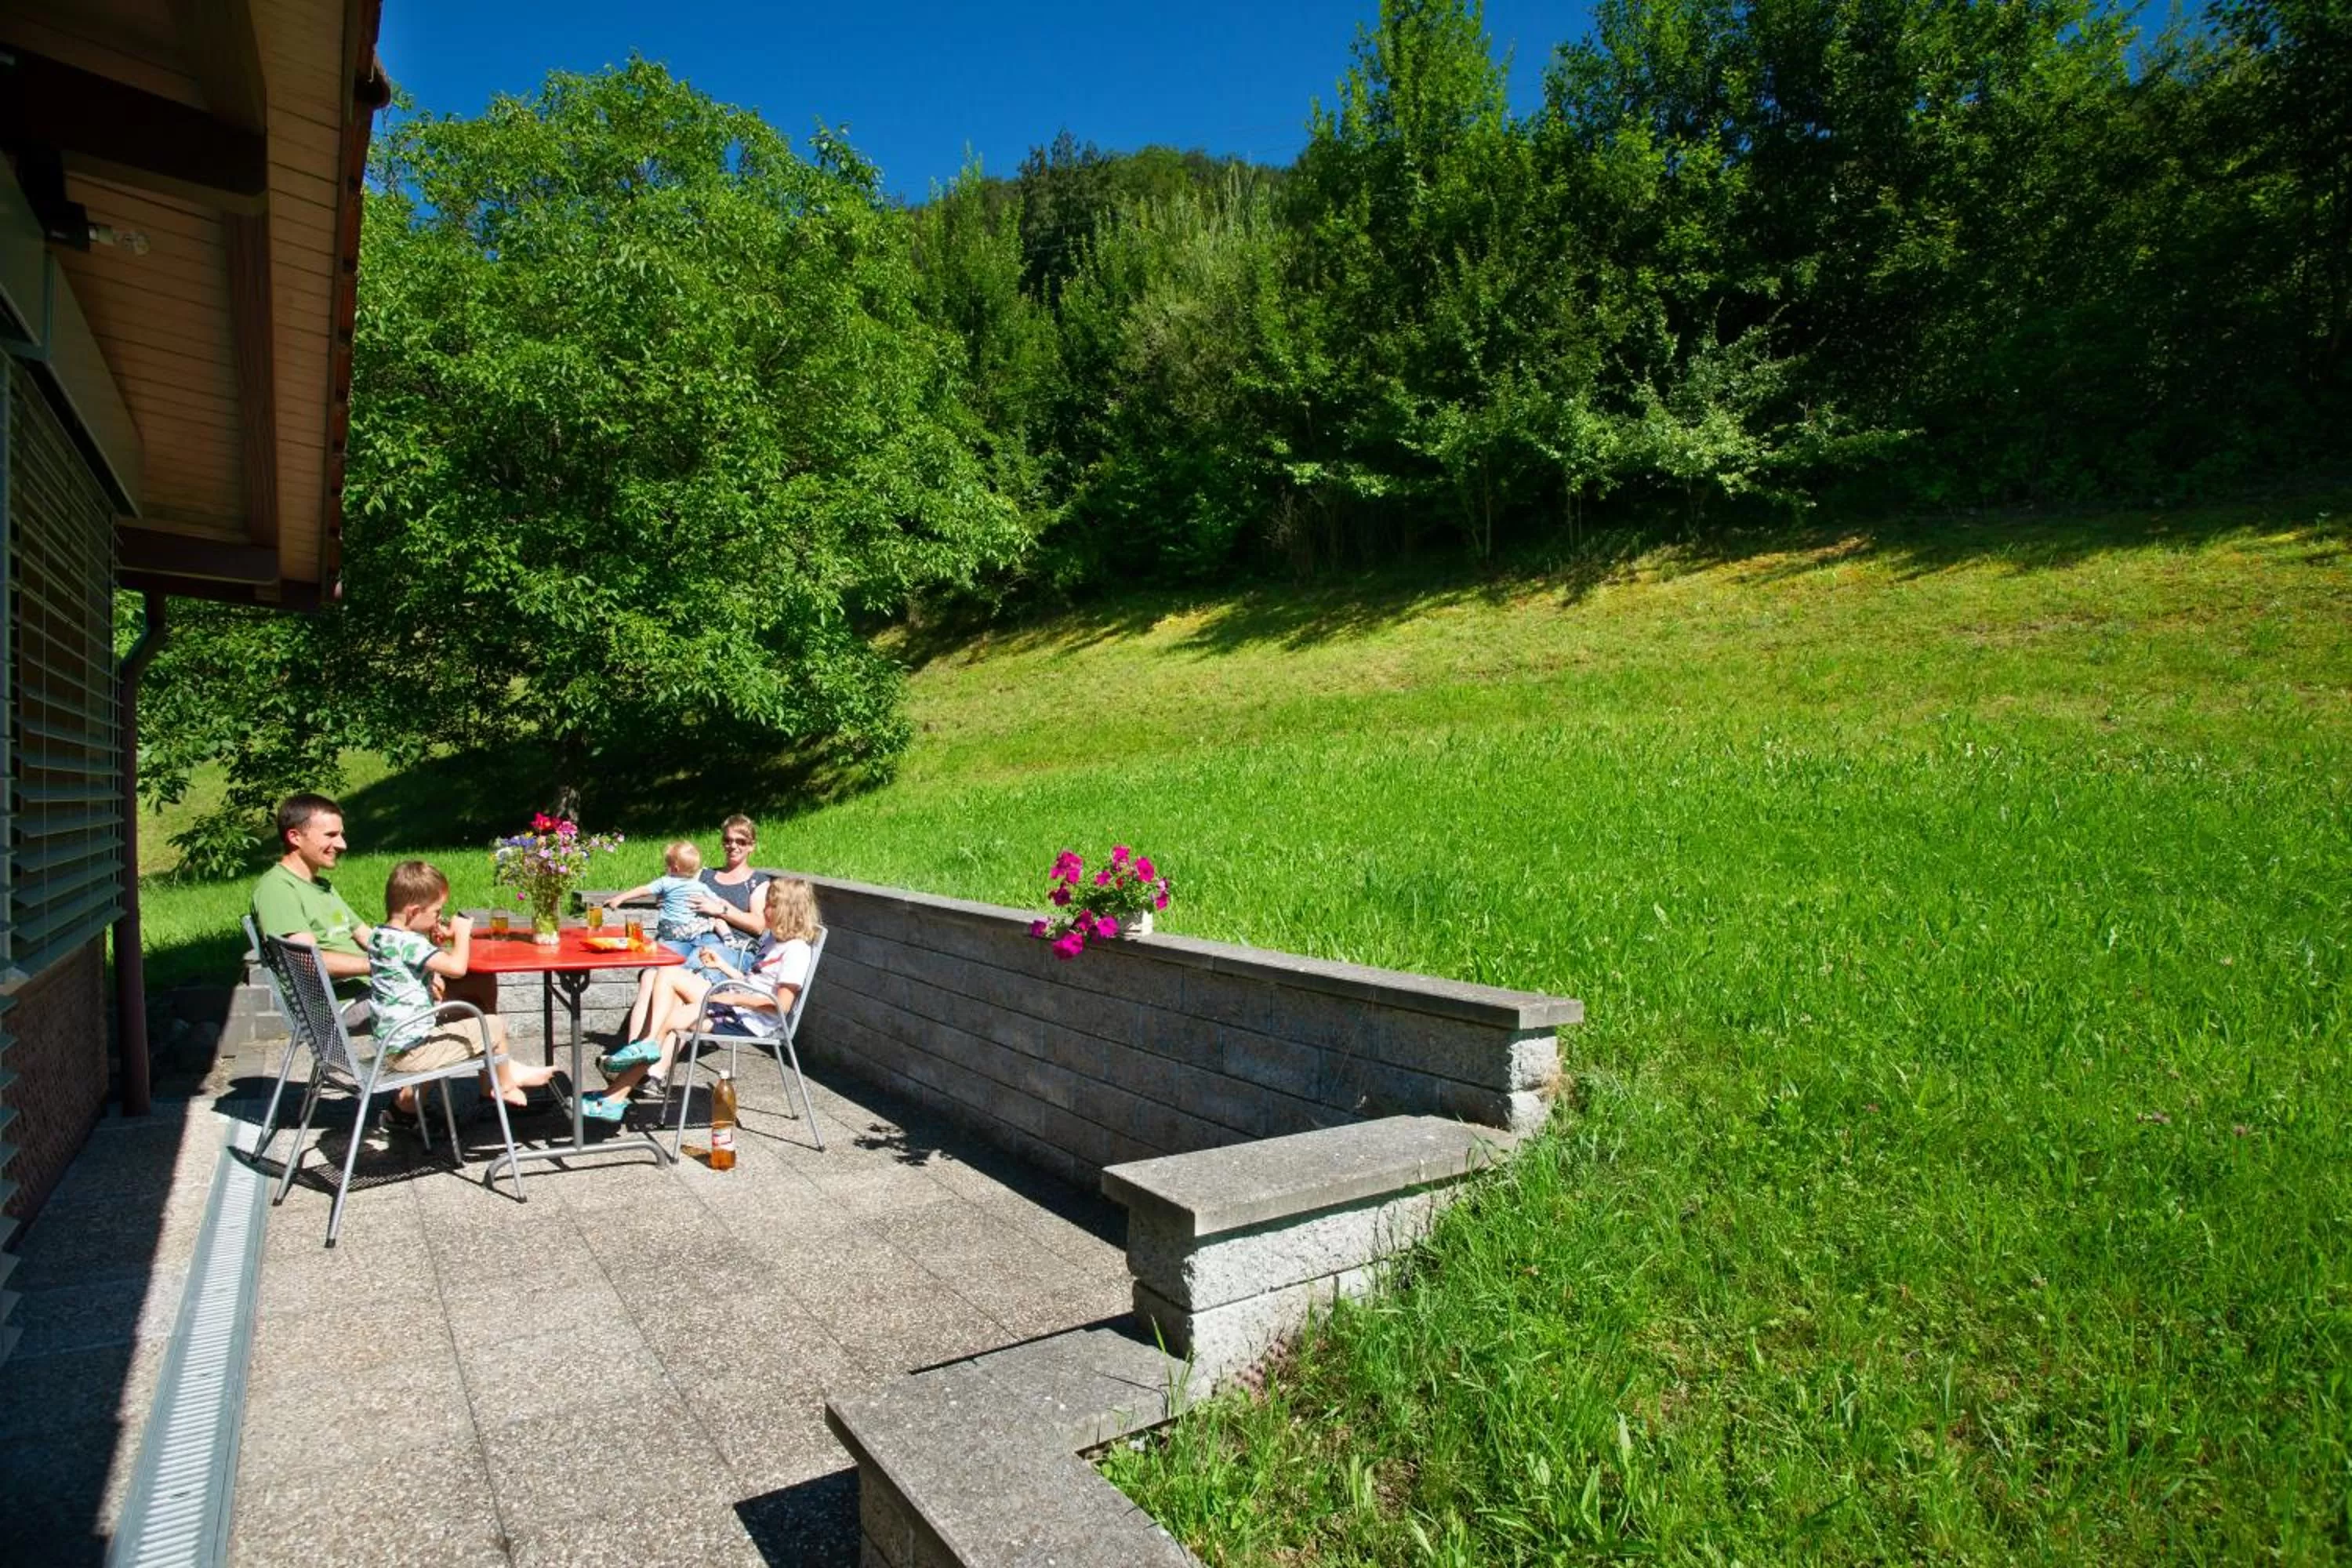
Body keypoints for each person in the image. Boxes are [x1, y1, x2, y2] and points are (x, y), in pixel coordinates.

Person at [586, 878, 820, 1122]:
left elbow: (781, 1006)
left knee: (670, 1019)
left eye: (770, 905)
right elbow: (754, 981)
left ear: (787, 911)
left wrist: (733, 998)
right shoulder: (774, 940)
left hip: (749, 1019)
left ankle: (614, 1096)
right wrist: (722, 966)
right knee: (668, 974)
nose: (764, 910)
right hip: (736, 1003)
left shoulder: (796, 950)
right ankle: (642, 1052)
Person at [366, 860, 556, 1116]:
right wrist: (463, 934)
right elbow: (457, 968)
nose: (439, 917)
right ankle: (504, 1084)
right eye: (436, 912)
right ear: (413, 912)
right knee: (492, 1025)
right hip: (414, 1050)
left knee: (462, 1017)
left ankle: (507, 1070)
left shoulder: (380, 935)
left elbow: (408, 965)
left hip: (392, 1044)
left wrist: (434, 944)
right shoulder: (410, 944)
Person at [614, 815, 770, 1040]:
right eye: (728, 840)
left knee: (682, 976)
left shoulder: (756, 882)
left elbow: (758, 925)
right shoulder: (705, 875)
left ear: (751, 846)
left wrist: (720, 910)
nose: (733, 846)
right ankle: (632, 1048)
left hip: (731, 948)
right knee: (650, 975)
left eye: (741, 841)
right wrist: (668, 901)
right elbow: (676, 890)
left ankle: (652, 1047)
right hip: (692, 938)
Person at [252, 793, 369, 982]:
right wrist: (378, 966)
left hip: (373, 988)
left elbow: (366, 936)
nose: (342, 845)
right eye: (330, 835)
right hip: (343, 998)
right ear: (295, 837)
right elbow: (306, 961)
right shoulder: (277, 889)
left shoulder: (322, 886)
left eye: (341, 835)